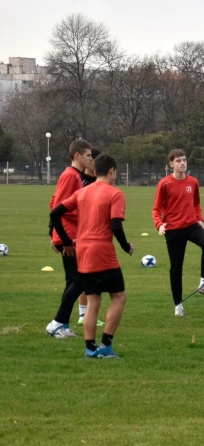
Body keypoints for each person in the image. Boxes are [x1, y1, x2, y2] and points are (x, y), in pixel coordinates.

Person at [50, 153, 134, 359]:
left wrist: (67, 241)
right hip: (102, 251)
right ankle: (106, 346)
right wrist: (126, 246)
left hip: (83, 252)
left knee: (93, 299)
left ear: (95, 172)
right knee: (119, 296)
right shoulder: (115, 194)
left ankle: (89, 349)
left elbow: (55, 213)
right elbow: (115, 225)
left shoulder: (82, 192)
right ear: (112, 171)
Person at [152, 149, 204, 317]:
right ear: (171, 164)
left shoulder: (193, 182)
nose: (182, 163)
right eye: (179, 161)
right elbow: (156, 209)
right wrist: (159, 224)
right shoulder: (165, 184)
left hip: (191, 225)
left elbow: (196, 204)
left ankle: (203, 283)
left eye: (184, 160)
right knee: (176, 268)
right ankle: (178, 305)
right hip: (173, 229)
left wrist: (200, 221)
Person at [45, 139, 94, 339]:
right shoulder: (70, 176)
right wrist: (63, 239)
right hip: (69, 236)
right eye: (89, 155)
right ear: (77, 156)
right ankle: (56, 322)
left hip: (71, 235)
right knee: (80, 280)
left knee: (72, 281)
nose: (91, 159)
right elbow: (57, 208)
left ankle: (62, 324)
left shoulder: (75, 176)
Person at [77, 147, 105, 327]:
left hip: (99, 236)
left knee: (96, 276)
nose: (92, 161)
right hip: (82, 234)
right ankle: (82, 314)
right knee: (82, 275)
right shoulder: (78, 180)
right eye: (91, 158)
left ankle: (86, 314)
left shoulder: (102, 182)